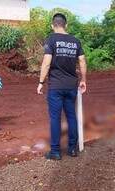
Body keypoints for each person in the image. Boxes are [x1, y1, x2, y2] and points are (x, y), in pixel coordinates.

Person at [37, 13, 87, 160]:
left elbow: (46, 63)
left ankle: (55, 151)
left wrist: (40, 83)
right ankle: (72, 149)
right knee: (71, 116)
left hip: (56, 86)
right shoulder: (75, 41)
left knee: (55, 118)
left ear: (53, 25)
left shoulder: (51, 39)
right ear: (66, 25)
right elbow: (82, 61)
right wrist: (83, 79)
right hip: (72, 85)